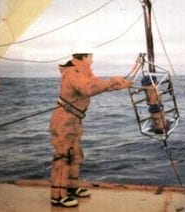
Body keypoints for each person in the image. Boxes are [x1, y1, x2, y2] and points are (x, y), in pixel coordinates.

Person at [49, 47, 132, 207]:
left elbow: (96, 85)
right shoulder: (73, 73)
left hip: (74, 119)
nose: (92, 60)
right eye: (91, 57)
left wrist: (119, 84)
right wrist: (112, 81)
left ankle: (71, 187)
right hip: (64, 119)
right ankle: (57, 196)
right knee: (63, 155)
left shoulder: (84, 72)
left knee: (75, 154)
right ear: (84, 57)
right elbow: (87, 88)